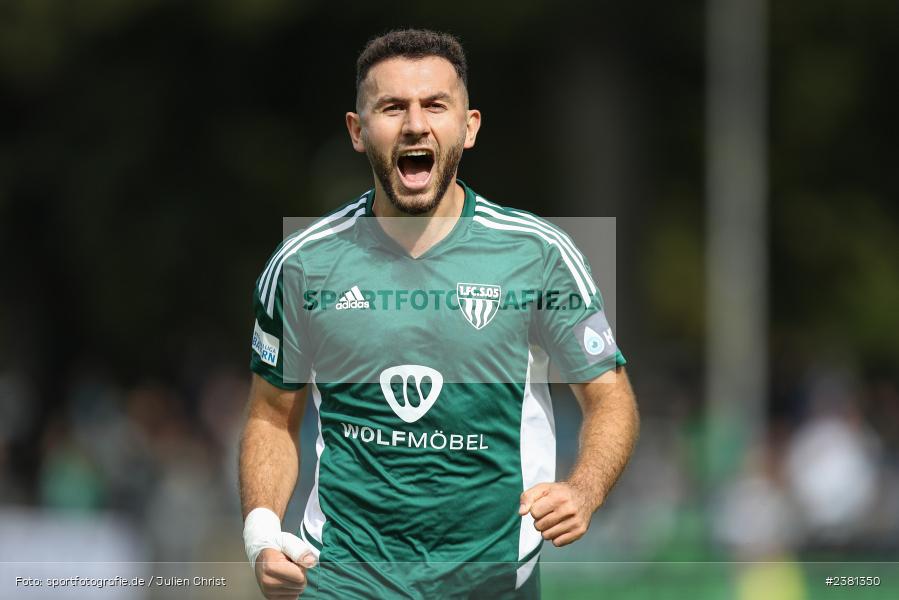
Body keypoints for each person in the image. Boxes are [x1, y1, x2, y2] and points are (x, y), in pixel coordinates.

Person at [239, 28, 639, 599]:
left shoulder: (539, 255)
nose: (414, 125)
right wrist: (260, 533)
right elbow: (271, 418)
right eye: (391, 107)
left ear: (468, 126)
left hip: (494, 580)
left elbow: (610, 397)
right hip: (343, 578)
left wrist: (584, 489)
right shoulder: (303, 265)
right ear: (357, 131)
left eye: (434, 105)